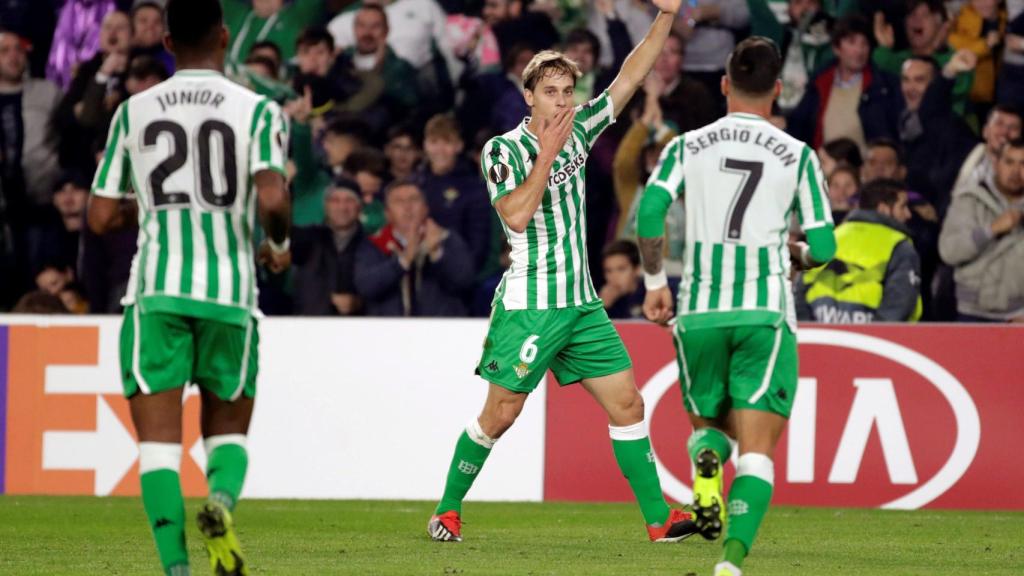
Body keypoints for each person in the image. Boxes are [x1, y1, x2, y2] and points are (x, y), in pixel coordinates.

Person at [428, 0, 699, 545]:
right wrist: (547, 154)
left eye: (567, 91)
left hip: (581, 304)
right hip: (531, 302)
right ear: (528, 96)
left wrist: (665, 18)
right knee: (501, 414)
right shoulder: (502, 150)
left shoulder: (582, 127)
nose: (561, 101)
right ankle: (447, 510)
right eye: (549, 91)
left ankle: (658, 519)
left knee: (628, 403)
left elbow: (630, 75)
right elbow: (517, 215)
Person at [86, 1, 291, 574]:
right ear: (225, 38)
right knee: (227, 432)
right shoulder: (258, 110)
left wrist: (148, 210)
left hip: (157, 294)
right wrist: (276, 248)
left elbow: (100, 217)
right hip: (229, 294)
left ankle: (176, 567)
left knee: (157, 448)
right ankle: (220, 503)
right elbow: (273, 198)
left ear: (169, 41)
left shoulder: (133, 111)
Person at [637, 37, 836, 576]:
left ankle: (707, 470)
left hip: (697, 313)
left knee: (713, 428)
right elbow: (823, 249)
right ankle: (731, 562)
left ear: (725, 84)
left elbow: (650, 210)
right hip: (762, 315)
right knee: (756, 449)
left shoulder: (685, 146)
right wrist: (788, 252)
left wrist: (656, 282)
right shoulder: (797, 155)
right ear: (777, 90)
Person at [796, 179, 922, 323]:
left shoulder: (828, 239)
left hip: (821, 338)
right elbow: (899, 305)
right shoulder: (899, 246)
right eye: (903, 206)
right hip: (873, 341)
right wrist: (865, 341)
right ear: (883, 209)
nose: (908, 214)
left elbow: (799, 293)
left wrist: (813, 334)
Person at [354, 179, 474, 316]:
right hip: (388, 331)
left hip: (439, 330)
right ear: (387, 213)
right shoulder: (373, 244)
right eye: (399, 201)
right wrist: (403, 261)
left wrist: (437, 253)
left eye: (414, 200)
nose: (407, 207)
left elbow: (464, 282)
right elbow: (366, 287)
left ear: (425, 208)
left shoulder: (447, 239)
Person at [939, 138, 1024, 322]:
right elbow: (949, 251)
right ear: (996, 163)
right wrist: (991, 230)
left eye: (1023, 164)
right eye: (1009, 162)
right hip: (972, 313)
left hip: (1019, 315)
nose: (1016, 171)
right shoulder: (970, 200)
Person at [787, 15, 901, 151]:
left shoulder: (882, 86)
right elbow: (799, 126)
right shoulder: (819, 83)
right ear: (837, 48)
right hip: (825, 166)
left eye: (864, 44)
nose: (859, 50)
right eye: (852, 42)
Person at [415, 114, 492, 272]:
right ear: (425, 145)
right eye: (434, 142)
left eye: (447, 142)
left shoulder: (474, 189)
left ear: (459, 146)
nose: (440, 150)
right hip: (414, 270)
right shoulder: (414, 183)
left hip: (454, 273)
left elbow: (478, 246)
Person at [292, 180, 365, 316]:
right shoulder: (306, 238)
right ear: (326, 206)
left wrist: (358, 302)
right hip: (308, 327)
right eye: (335, 200)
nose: (342, 207)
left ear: (359, 207)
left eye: (349, 200)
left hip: (355, 329)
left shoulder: (369, 245)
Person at [953, 104, 1022, 193]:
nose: (1005, 131)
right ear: (985, 131)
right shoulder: (959, 158)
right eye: (999, 123)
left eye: (1013, 127)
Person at [600, 239, 647, 319]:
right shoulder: (603, 299)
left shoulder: (650, 295)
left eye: (621, 269)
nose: (614, 277)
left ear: (637, 269)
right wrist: (601, 308)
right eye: (608, 271)